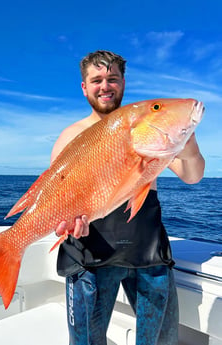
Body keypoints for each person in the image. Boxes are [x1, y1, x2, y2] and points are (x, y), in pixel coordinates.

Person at [50, 50, 205, 345]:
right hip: (90, 258)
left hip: (148, 254)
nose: (105, 86)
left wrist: (188, 140)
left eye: (112, 78)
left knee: (161, 341)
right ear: (84, 86)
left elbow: (192, 175)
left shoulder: (147, 127)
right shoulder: (71, 136)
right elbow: (59, 198)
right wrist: (67, 223)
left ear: (123, 83)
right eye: (96, 80)